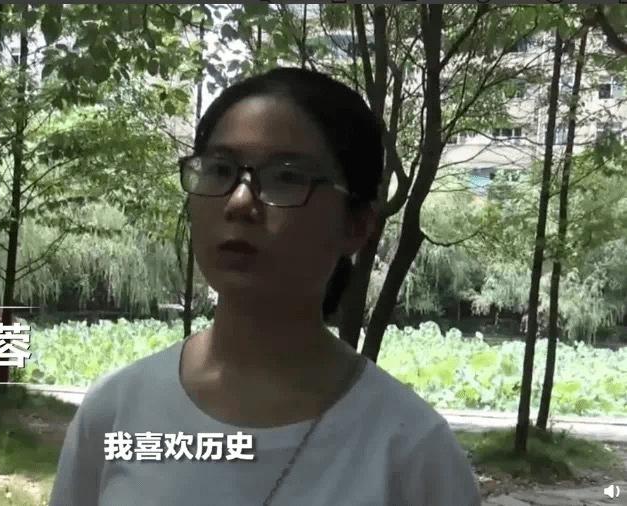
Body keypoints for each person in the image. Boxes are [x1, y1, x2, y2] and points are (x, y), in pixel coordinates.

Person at [49, 67, 481, 506]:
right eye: (220, 170)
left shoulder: (414, 454)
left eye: (286, 177)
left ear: (356, 226)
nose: (240, 202)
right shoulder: (116, 412)